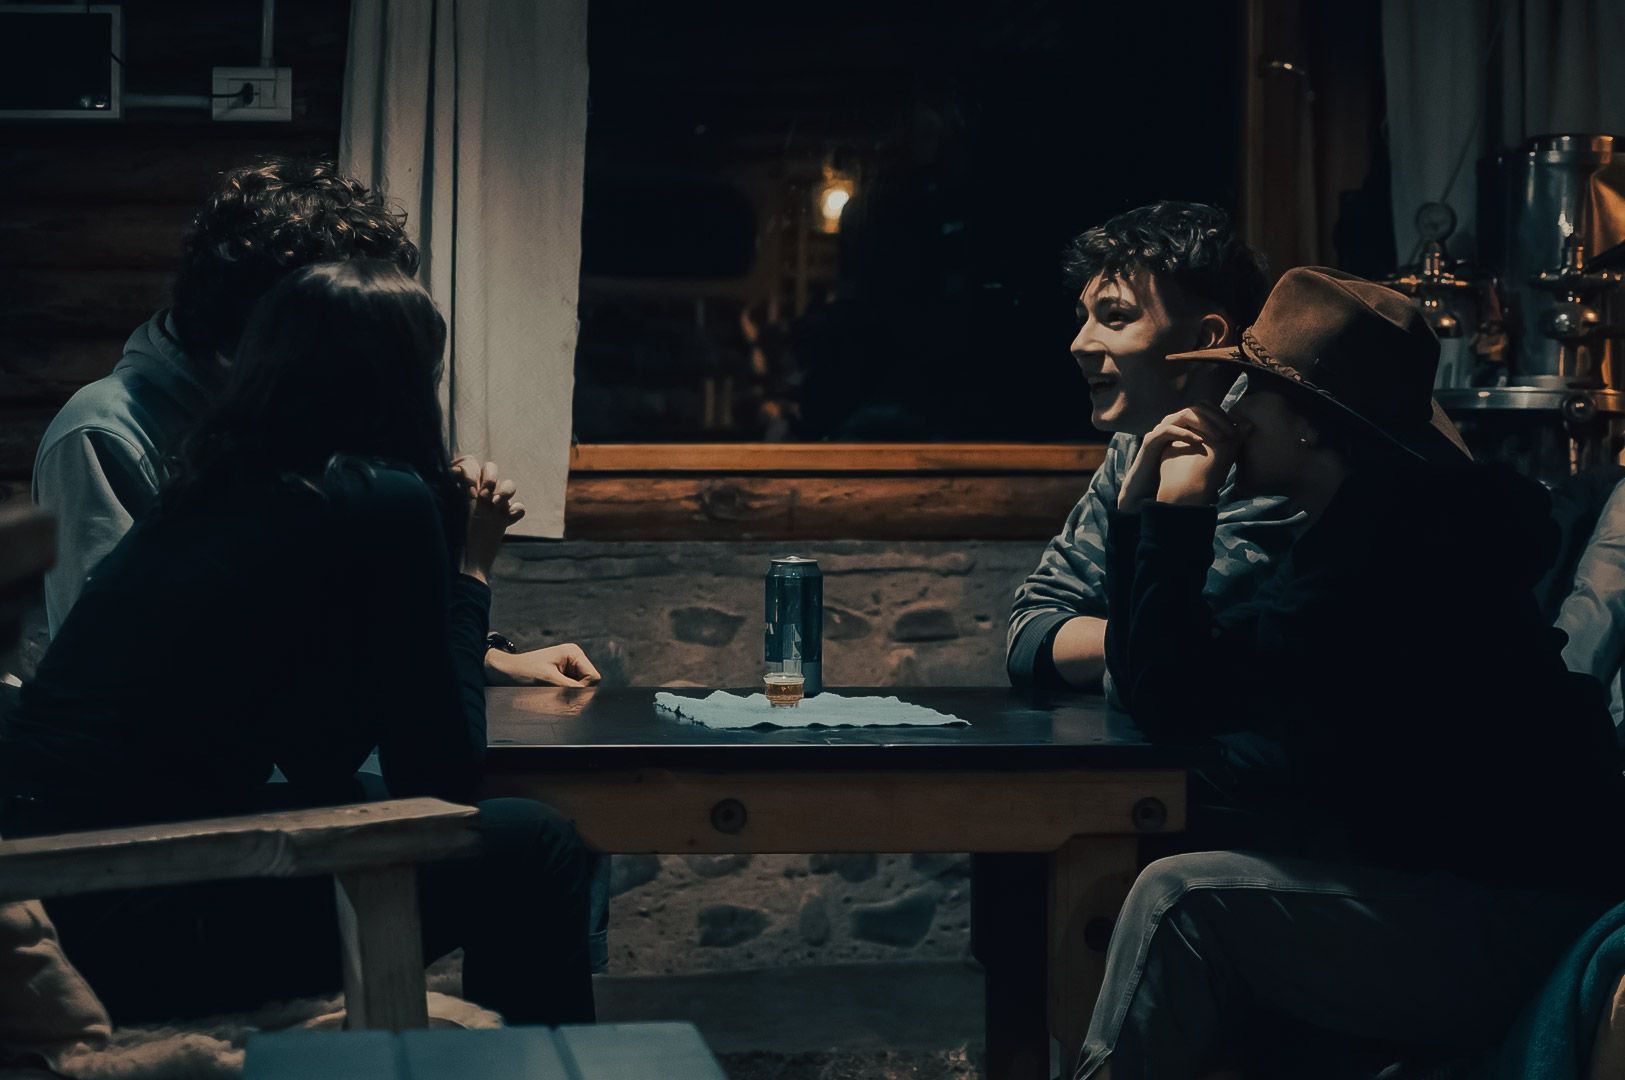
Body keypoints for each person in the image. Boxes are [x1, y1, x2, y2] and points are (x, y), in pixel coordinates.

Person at [0, 261, 596, 1026]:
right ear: (407, 381)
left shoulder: (214, 487)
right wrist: (470, 568)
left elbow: (318, 750)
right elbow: (441, 776)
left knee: (477, 828)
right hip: (135, 912)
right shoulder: (376, 497)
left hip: (68, 892)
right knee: (535, 843)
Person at [1077, 267, 1625, 1078]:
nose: (1229, 415)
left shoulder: (1396, 560)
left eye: (1248, 395)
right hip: (1447, 889)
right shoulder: (1353, 533)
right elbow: (1181, 679)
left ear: (1304, 424)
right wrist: (1136, 513)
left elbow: (1172, 700)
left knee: (1178, 901)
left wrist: (1176, 514)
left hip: (1517, 923)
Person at [30, 155, 598, 689]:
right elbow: (117, 674)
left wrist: (479, 654)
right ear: (280, 320)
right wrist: (460, 570)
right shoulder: (104, 434)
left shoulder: (291, 413)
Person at [1008, 201, 1300, 695]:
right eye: (1083, 318)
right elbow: (1029, 633)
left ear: (1207, 338)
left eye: (1115, 317)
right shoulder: (1139, 442)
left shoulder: (1273, 460)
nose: (1079, 343)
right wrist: (1131, 644)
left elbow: (1169, 677)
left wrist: (1129, 646)